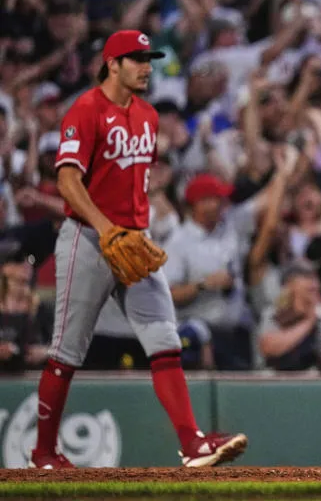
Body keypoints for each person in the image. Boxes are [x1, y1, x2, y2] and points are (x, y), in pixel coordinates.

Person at [29, 30, 247, 469]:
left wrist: (134, 229)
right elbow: (68, 182)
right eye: (136, 59)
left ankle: (192, 443)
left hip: (132, 242)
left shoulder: (147, 115)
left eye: (149, 59)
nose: (147, 66)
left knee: (166, 341)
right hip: (88, 239)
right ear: (112, 64)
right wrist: (106, 228)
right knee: (66, 352)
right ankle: (44, 451)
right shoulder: (86, 109)